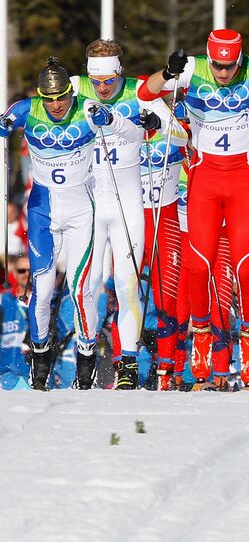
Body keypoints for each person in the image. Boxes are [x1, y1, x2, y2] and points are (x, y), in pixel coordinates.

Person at [140, 30, 249, 385]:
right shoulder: (193, 69)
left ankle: (247, 342)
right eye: (219, 65)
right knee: (198, 266)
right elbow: (146, 92)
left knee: (245, 268)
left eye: (230, 66)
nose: (225, 73)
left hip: (244, 178)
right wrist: (168, 72)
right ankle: (200, 337)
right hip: (205, 178)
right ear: (209, 57)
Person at [2, 58, 139, 389]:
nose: (56, 105)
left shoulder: (87, 107)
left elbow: (133, 133)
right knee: (43, 288)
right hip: (41, 211)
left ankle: (86, 356)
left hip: (81, 212)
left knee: (81, 291)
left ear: (69, 92)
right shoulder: (25, 110)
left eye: (61, 96)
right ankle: (41, 355)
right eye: (49, 99)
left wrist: (111, 118)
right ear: (40, 97)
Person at [73, 39, 178, 388]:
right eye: (97, 81)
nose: (102, 88)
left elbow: (180, 136)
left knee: (127, 284)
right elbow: (41, 103)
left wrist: (155, 124)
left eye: (109, 81)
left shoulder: (140, 91)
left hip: (127, 205)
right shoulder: (76, 88)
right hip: (88, 206)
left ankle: (128, 365)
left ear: (120, 71)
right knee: (86, 286)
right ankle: (84, 359)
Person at [139, 88, 188, 390]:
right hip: (134, 223)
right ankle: (125, 365)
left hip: (171, 227)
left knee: (171, 301)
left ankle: (170, 371)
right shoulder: (133, 129)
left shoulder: (180, 141)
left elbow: (185, 136)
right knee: (126, 296)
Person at [1, 256, 31, 389]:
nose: (26, 274)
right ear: (14, 273)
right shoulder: (3, 301)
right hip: (7, 379)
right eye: (21, 270)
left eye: (30, 270)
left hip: (38, 378)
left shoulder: (49, 303)